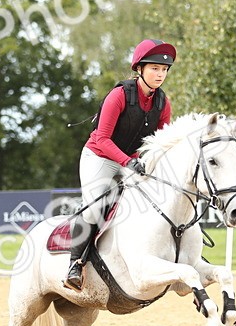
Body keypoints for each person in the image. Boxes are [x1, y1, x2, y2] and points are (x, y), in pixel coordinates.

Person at [65, 38, 176, 290]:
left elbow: (160, 144)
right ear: (140, 69)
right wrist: (128, 161)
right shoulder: (120, 95)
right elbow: (103, 138)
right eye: (155, 69)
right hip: (99, 157)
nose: (160, 75)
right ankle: (75, 264)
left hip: (131, 162)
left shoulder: (163, 103)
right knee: (95, 207)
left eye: (164, 70)